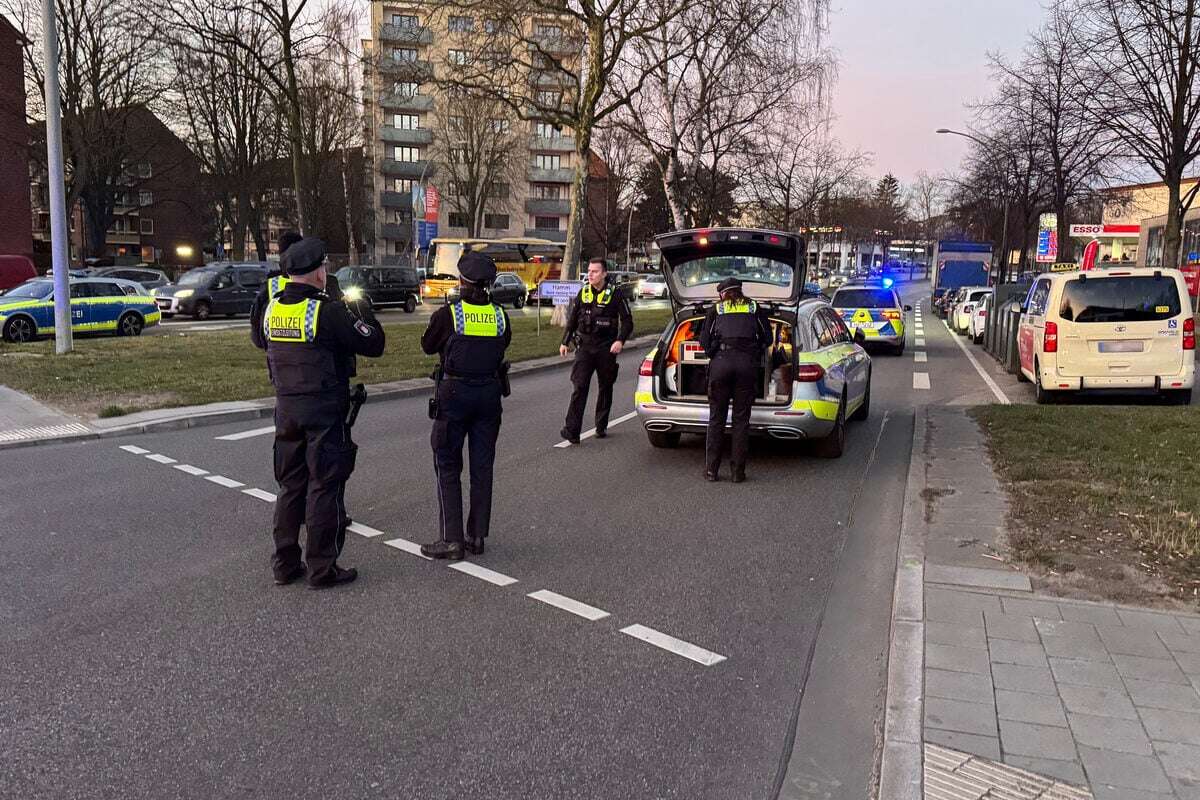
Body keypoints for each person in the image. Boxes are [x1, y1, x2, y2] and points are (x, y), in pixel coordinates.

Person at [254, 237, 385, 589]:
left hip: (287, 408)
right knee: (324, 486)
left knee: (290, 486)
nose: (326, 273)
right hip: (325, 410)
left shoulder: (272, 308)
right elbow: (374, 343)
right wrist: (362, 308)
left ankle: (284, 563)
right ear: (316, 273)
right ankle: (322, 567)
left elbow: (260, 341)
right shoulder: (327, 311)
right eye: (324, 268)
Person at [419, 252, 512, 560]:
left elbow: (427, 345)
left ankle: (452, 540)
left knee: (447, 465)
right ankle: (477, 537)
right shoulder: (500, 315)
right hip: (489, 394)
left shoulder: (450, 315)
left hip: (455, 393)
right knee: (482, 468)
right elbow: (503, 344)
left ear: (463, 282)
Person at [699, 277, 771, 483]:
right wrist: (753, 350)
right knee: (741, 421)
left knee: (716, 419)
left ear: (723, 294)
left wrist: (714, 350)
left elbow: (704, 340)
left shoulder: (717, 309)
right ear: (740, 291)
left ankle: (712, 471)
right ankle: (737, 473)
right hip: (746, 366)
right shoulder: (754, 307)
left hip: (721, 365)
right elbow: (768, 338)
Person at [558, 259, 633, 444]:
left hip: (606, 348)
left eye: (595, 271)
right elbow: (573, 320)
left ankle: (601, 425)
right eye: (589, 271)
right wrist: (565, 342)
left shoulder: (615, 294)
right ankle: (572, 431)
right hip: (584, 347)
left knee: (605, 387)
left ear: (604, 273)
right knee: (579, 387)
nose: (590, 274)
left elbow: (628, 321)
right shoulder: (583, 293)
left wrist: (620, 341)